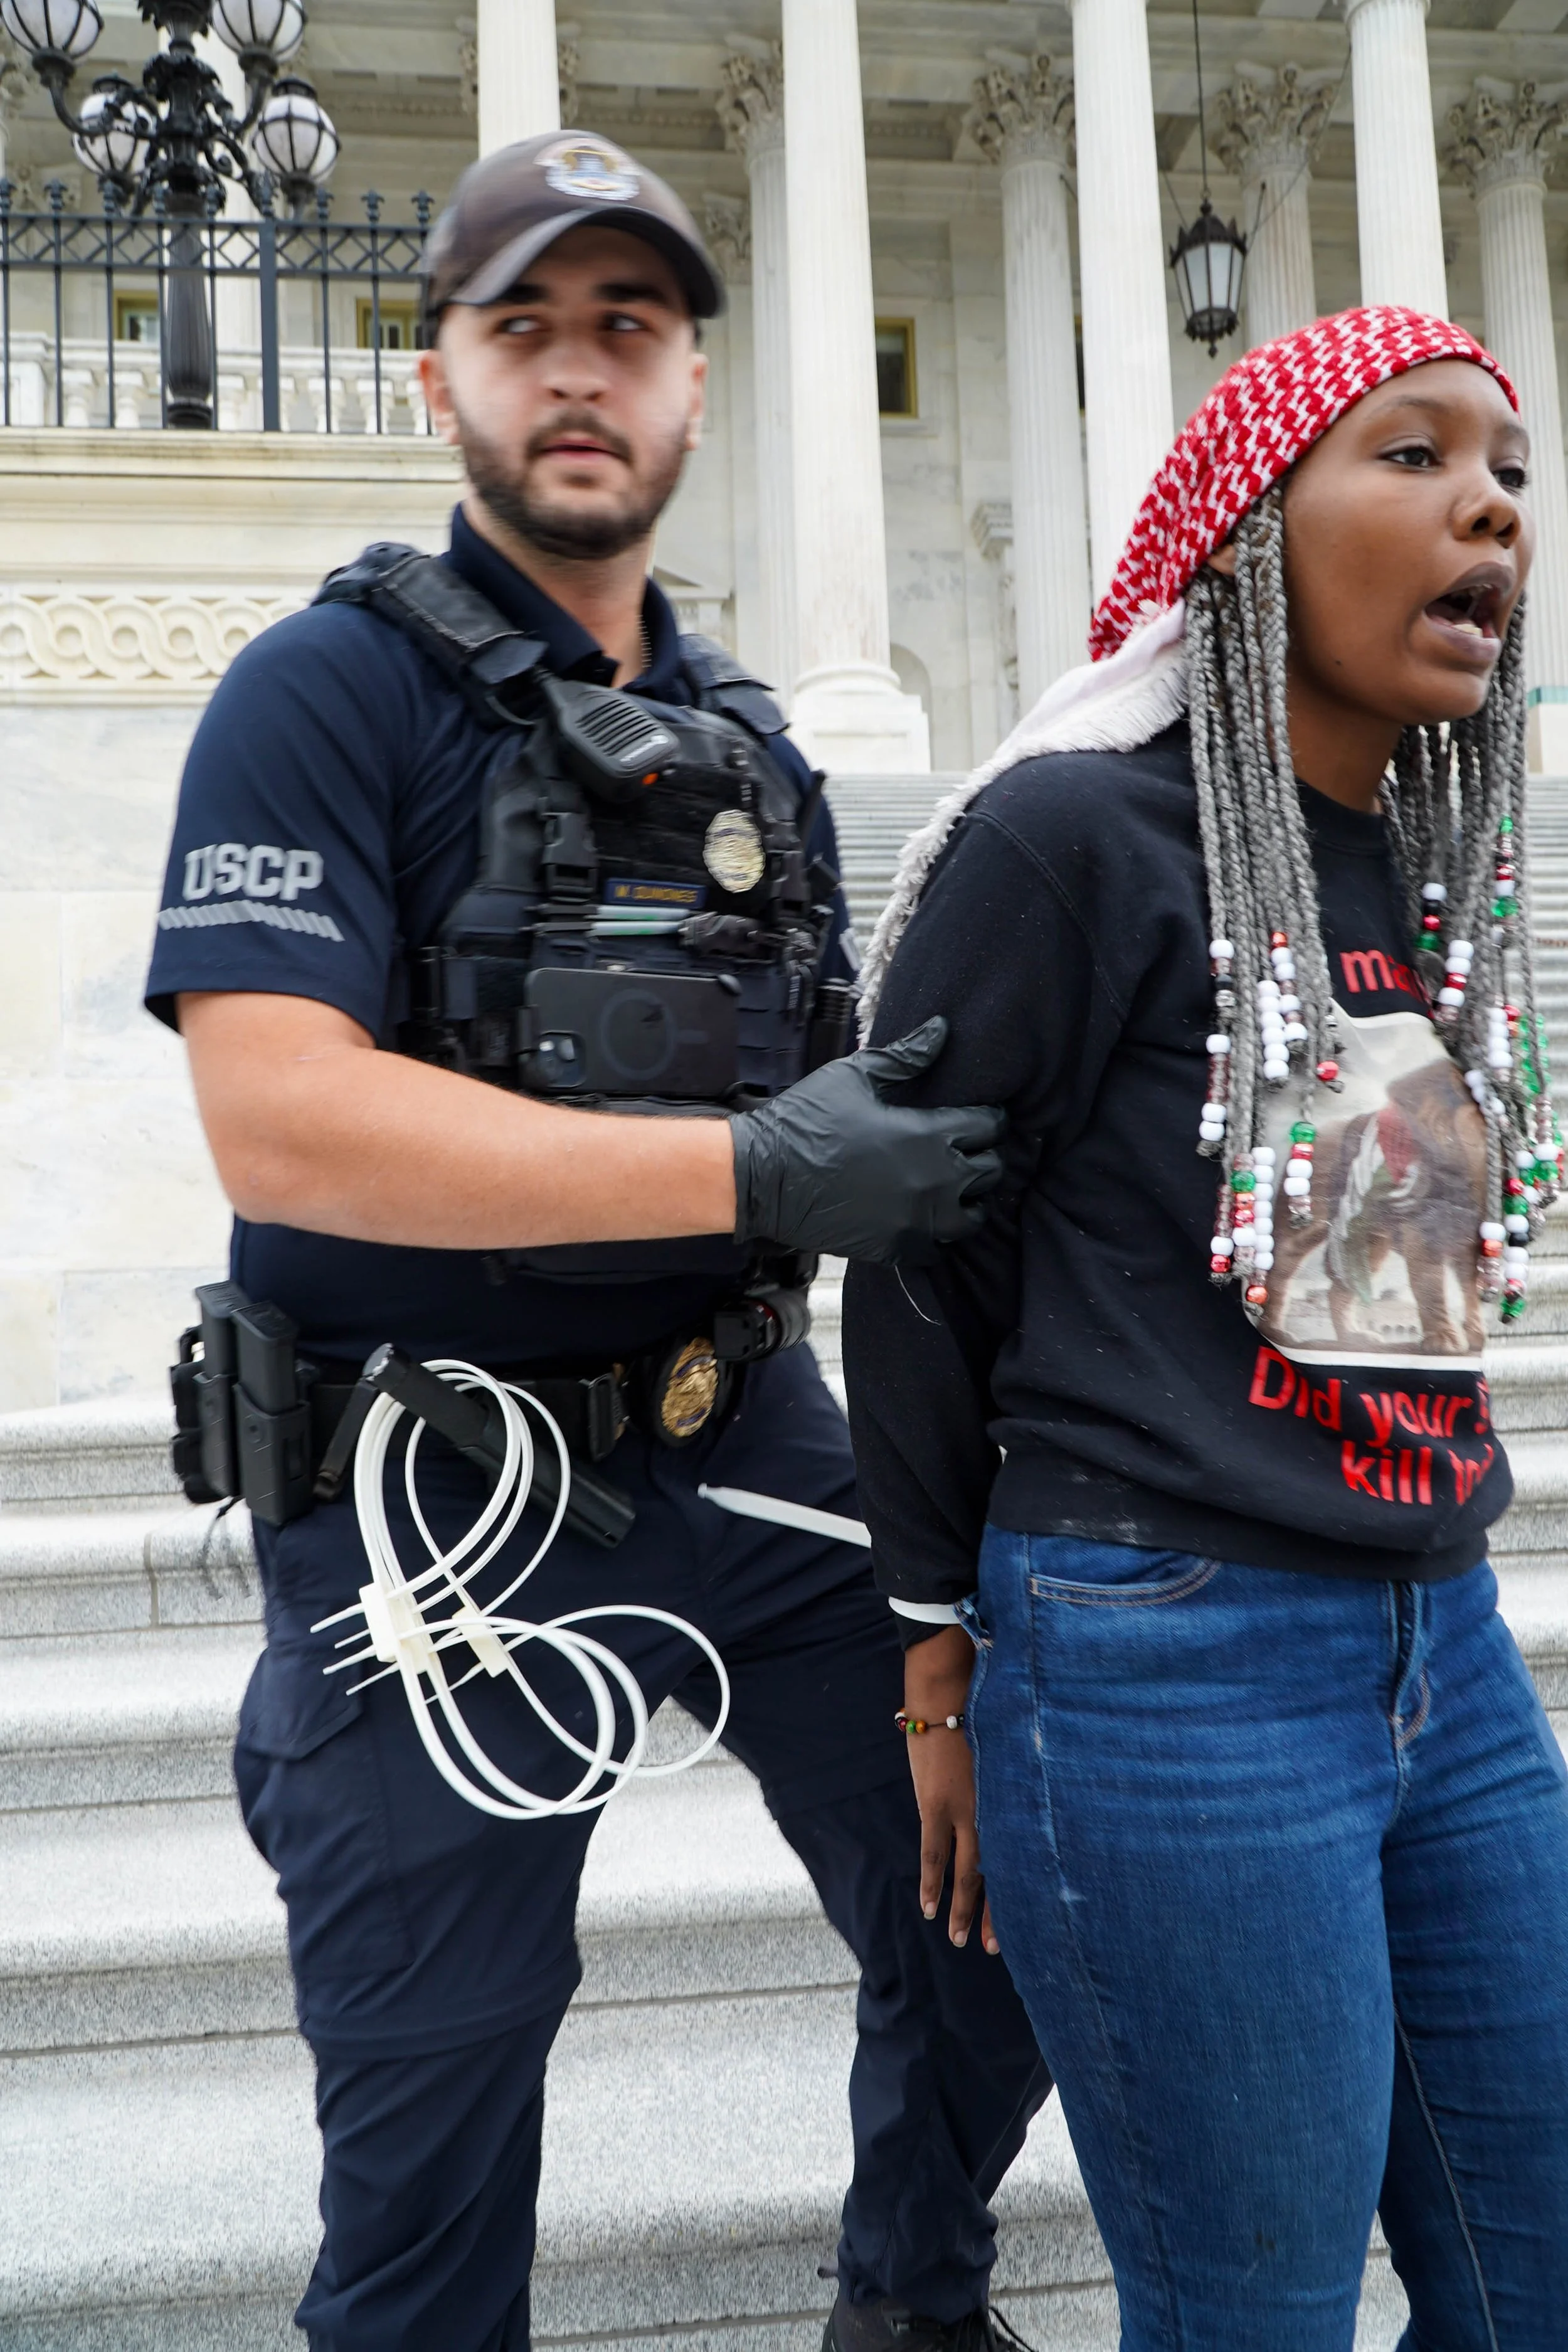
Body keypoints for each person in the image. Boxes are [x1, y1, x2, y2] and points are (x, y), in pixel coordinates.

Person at [144, 130, 1049, 2352]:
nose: (578, 374)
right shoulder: (318, 694)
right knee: (433, 2137)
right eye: (523, 326)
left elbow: (872, 1108)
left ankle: (912, 2304)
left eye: (626, 329)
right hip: (422, 1496)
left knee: (1010, 1888)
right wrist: (750, 1172)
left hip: (738, 1435)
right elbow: (285, 1113)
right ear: (440, 372)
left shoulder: (751, 743)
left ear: (692, 391)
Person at [842, 306, 1568, 2347]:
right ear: (1245, 533)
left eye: (1506, 467)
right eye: (1412, 455)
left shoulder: (1423, 865)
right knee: (1248, 2311)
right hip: (1165, 1651)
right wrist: (941, 1680)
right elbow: (906, 1268)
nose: (1488, 507)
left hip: (1442, 1633)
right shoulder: (1065, 839)